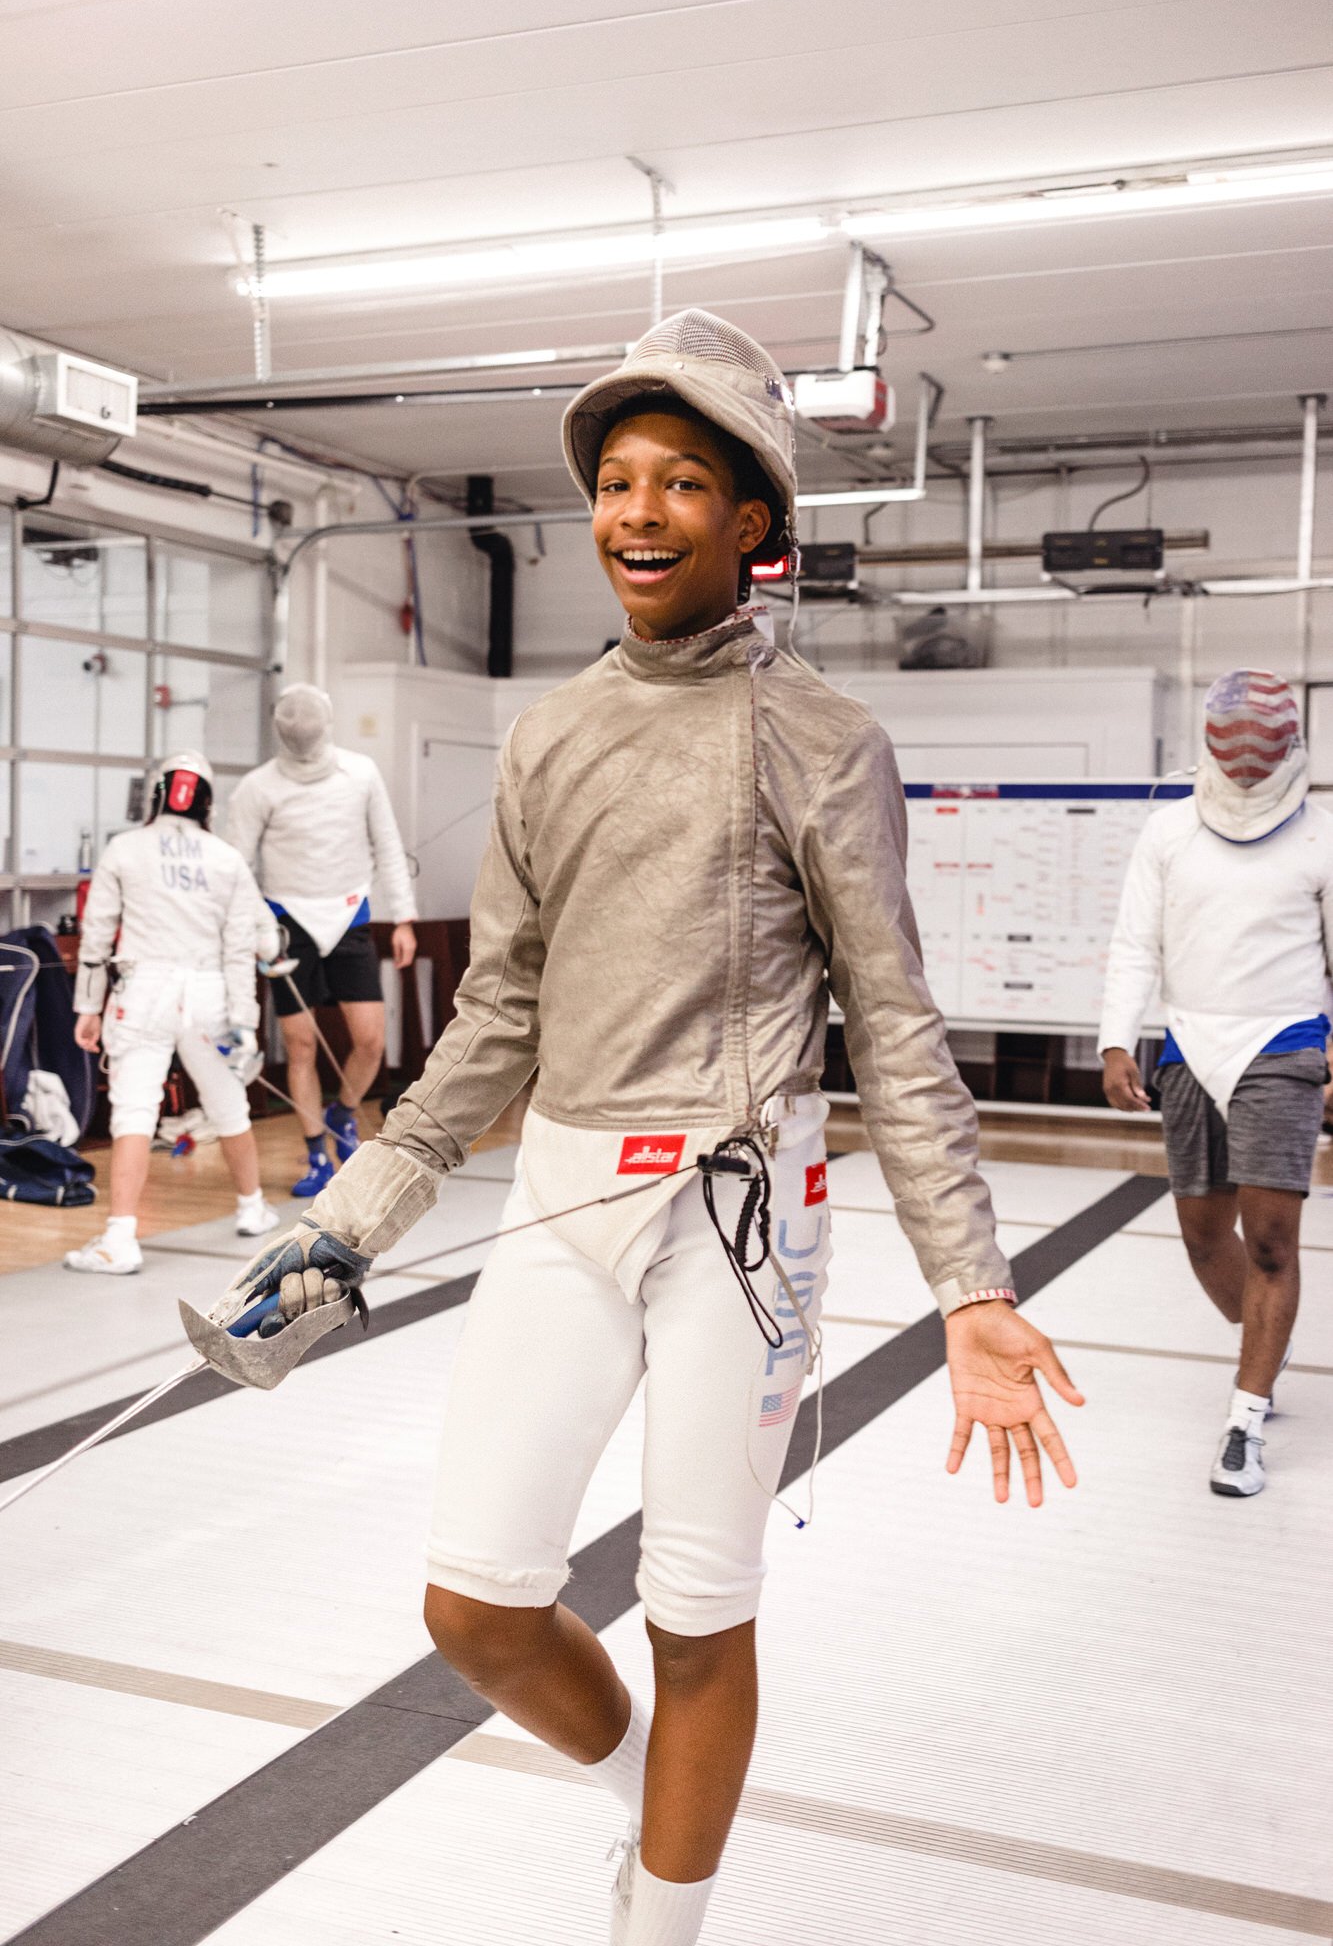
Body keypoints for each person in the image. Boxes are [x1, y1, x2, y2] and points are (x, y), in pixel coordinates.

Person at [233, 312, 1083, 1946]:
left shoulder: (823, 744)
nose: (633, 512)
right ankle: (655, 1812)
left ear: (751, 523)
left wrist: (969, 1286)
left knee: (697, 1622)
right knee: (473, 1608)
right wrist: (353, 1221)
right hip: (564, 1196)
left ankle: (662, 1917)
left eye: (680, 482)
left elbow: (892, 1023)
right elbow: (498, 1017)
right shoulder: (549, 738)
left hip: (739, 1223)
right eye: (614, 481)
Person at [1100, 668, 1333, 1497]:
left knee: (1270, 1241)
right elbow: (1136, 943)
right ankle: (1265, 1343)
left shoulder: (1321, 837)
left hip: (1283, 1042)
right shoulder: (1168, 832)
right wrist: (1114, 1042)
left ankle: (1244, 1418)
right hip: (1188, 1042)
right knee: (1205, 1239)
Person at [66, 750, 279, 1275]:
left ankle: (120, 1237)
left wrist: (88, 1007)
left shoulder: (123, 848)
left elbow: (97, 934)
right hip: (209, 996)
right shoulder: (226, 858)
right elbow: (254, 944)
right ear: (206, 803)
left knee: (134, 1112)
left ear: (157, 793)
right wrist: (246, 1024)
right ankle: (252, 1208)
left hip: (142, 993)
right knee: (228, 1104)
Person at [224, 684, 418, 1198]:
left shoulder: (360, 774)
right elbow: (236, 869)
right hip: (286, 923)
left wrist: (404, 919)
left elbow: (389, 846)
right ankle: (316, 1153)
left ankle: (344, 1113)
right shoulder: (257, 788)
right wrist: (249, 931)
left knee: (370, 1040)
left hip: (351, 917)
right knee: (301, 1045)